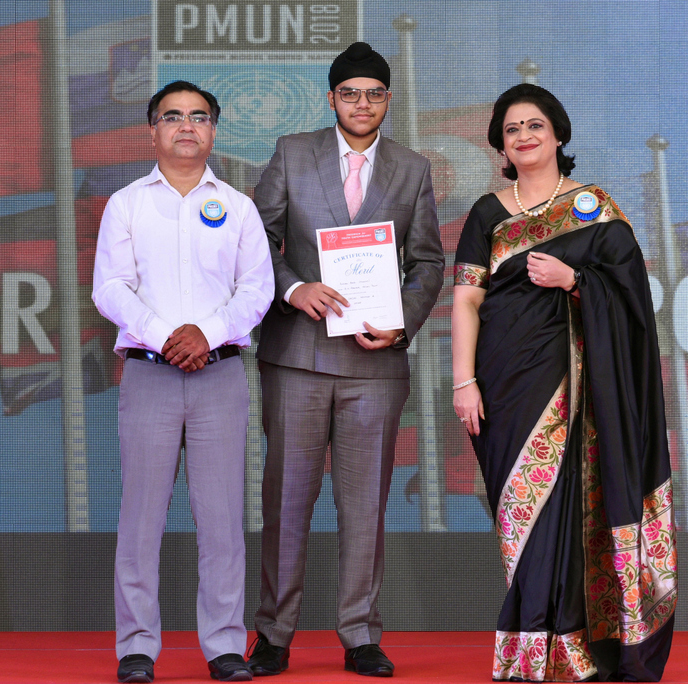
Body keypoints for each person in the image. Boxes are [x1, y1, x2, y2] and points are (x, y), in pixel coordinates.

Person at [451, 84, 677, 682]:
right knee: (520, 513)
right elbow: (467, 300)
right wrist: (462, 381)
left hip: (578, 388)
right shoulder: (487, 213)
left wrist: (575, 280)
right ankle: (535, 644)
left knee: (567, 508)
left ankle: (568, 647)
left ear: (557, 134)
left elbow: (632, 300)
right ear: (500, 145)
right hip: (503, 383)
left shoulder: (593, 208)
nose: (524, 136)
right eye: (512, 129)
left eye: (535, 125)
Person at [247, 42, 444, 678]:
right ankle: (273, 634)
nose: (363, 103)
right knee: (286, 502)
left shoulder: (412, 168)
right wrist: (291, 288)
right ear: (331, 98)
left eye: (375, 93)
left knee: (365, 507)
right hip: (297, 357)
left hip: (375, 363)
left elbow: (428, 261)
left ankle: (360, 634)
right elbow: (254, 238)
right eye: (351, 93)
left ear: (388, 100)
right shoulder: (292, 152)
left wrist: (402, 319)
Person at [92, 80, 274, 683]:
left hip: (219, 375)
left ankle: (224, 645)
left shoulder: (239, 207)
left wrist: (207, 334)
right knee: (141, 518)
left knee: (221, 519)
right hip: (150, 373)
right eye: (172, 117)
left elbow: (257, 290)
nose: (186, 126)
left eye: (198, 116)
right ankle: (136, 647)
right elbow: (110, 287)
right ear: (153, 131)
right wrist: (167, 335)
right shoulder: (126, 204)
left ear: (214, 130)